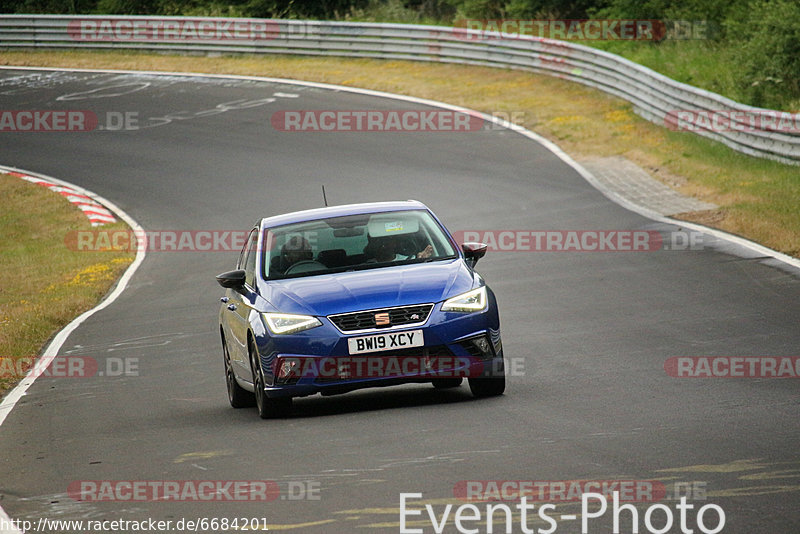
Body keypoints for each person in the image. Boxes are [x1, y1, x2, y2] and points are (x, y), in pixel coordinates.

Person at [365, 235, 433, 262]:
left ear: (394, 243)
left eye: (387, 241)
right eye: (380, 242)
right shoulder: (367, 266)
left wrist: (421, 260)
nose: (384, 245)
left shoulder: (410, 259)